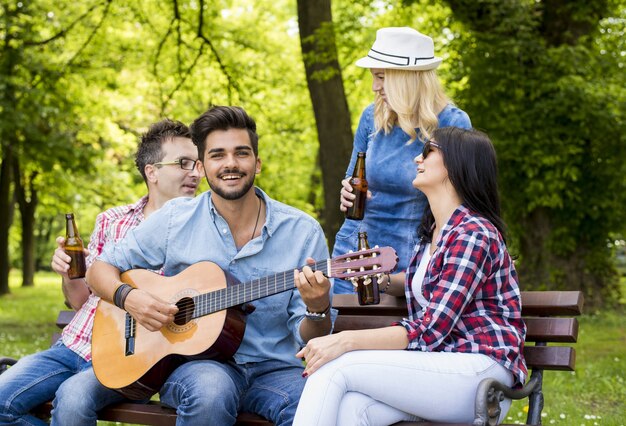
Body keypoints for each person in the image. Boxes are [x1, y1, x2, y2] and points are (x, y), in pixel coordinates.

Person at [86, 105, 333, 426]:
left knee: (316, 403)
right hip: (196, 366)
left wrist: (317, 307)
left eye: (241, 153)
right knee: (211, 393)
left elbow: (311, 336)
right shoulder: (176, 219)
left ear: (257, 163)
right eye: (218, 155)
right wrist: (129, 298)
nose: (230, 163)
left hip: (275, 369)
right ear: (202, 167)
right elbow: (99, 269)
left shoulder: (302, 231)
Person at [293, 127, 527, 425]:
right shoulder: (434, 233)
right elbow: (433, 283)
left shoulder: (473, 234)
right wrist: (385, 281)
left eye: (428, 150)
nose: (418, 158)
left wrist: (346, 340)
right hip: (443, 364)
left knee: (333, 367)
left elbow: (432, 328)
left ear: (456, 164)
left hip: (481, 373)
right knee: (352, 408)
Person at [0, 119, 201, 426]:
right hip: (73, 345)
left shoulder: (203, 230)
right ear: (152, 172)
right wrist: (68, 273)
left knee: (72, 401)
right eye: (184, 163)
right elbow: (82, 300)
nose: (196, 173)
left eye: (197, 164)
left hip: (130, 359)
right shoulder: (113, 220)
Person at [333, 26, 472, 294]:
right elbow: (353, 178)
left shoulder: (452, 123)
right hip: (355, 253)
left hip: (409, 260)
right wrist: (347, 191)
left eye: (382, 77)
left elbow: (459, 210)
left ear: (407, 78)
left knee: (395, 335)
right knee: (339, 332)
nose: (375, 86)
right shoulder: (371, 117)